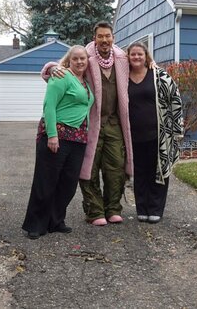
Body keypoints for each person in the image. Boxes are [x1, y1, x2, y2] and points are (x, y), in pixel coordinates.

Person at [41, 22, 133, 226]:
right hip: (91, 122)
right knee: (89, 167)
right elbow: (65, 64)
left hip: (114, 122)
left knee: (116, 166)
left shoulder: (121, 58)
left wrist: (152, 64)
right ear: (94, 38)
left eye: (107, 36)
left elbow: (140, 66)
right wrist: (52, 67)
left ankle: (113, 208)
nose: (104, 40)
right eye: (100, 36)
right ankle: (94, 210)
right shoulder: (87, 56)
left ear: (113, 37)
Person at [22, 45, 94, 240]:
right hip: (57, 136)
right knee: (45, 181)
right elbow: (49, 106)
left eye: (83, 58)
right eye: (75, 58)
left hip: (78, 139)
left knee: (68, 184)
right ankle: (35, 225)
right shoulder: (61, 76)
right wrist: (52, 135)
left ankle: (55, 221)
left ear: (87, 61)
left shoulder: (86, 83)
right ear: (69, 61)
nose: (79, 61)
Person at [126, 42, 183, 223]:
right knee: (139, 173)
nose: (136, 57)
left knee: (158, 172)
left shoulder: (159, 75)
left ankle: (156, 209)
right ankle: (142, 208)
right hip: (133, 136)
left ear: (146, 56)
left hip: (158, 135)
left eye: (140, 54)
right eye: (133, 54)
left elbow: (175, 99)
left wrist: (177, 128)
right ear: (128, 57)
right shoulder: (122, 77)